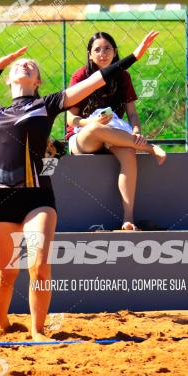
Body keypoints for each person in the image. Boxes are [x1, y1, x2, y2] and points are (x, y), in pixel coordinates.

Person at [0, 31, 161, 341]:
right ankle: (2, 323)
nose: (25, 66)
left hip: (37, 198)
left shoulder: (46, 104)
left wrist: (134, 57)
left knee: (40, 267)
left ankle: (37, 330)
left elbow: (96, 81)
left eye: (31, 66)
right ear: (11, 80)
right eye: (20, 65)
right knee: (6, 273)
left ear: (38, 81)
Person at [66, 31, 166, 231]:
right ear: (89, 54)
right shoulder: (81, 76)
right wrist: (91, 121)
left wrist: (136, 130)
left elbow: (132, 114)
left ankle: (128, 219)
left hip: (114, 132)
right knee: (97, 127)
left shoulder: (123, 76)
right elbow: (71, 119)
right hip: (83, 137)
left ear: (115, 52)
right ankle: (149, 148)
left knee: (129, 152)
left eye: (107, 49)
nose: (102, 53)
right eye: (97, 49)